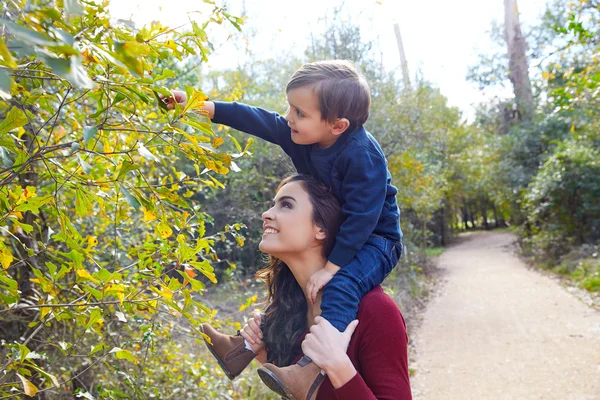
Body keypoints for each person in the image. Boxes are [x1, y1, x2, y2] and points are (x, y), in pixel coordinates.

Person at [171, 60, 403, 397]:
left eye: (300, 112)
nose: (289, 117)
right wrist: (203, 107)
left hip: (376, 238)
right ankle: (241, 350)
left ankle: (311, 368)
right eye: (290, 107)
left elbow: (364, 217)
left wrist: (333, 268)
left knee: (342, 284)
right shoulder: (304, 136)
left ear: (337, 125)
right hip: (346, 230)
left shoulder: (362, 156)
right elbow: (260, 120)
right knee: (294, 288)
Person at [203, 175, 412, 399]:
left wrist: (338, 366)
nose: (267, 214)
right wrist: (262, 352)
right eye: (273, 204)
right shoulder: (290, 308)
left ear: (320, 228)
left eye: (286, 205)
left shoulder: (375, 310)